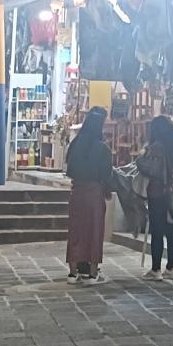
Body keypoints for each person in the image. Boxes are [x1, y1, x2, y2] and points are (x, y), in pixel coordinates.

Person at [65, 107, 113, 282]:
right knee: (94, 231)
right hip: (94, 193)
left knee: (75, 231)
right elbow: (107, 174)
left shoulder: (75, 144)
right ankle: (93, 273)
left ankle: (72, 272)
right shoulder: (102, 148)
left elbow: (68, 168)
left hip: (77, 191)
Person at [137, 116, 173, 278]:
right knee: (172, 229)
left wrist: (143, 151)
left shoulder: (157, 147)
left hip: (158, 192)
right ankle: (171, 267)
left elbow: (145, 166)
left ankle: (156, 269)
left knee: (157, 230)